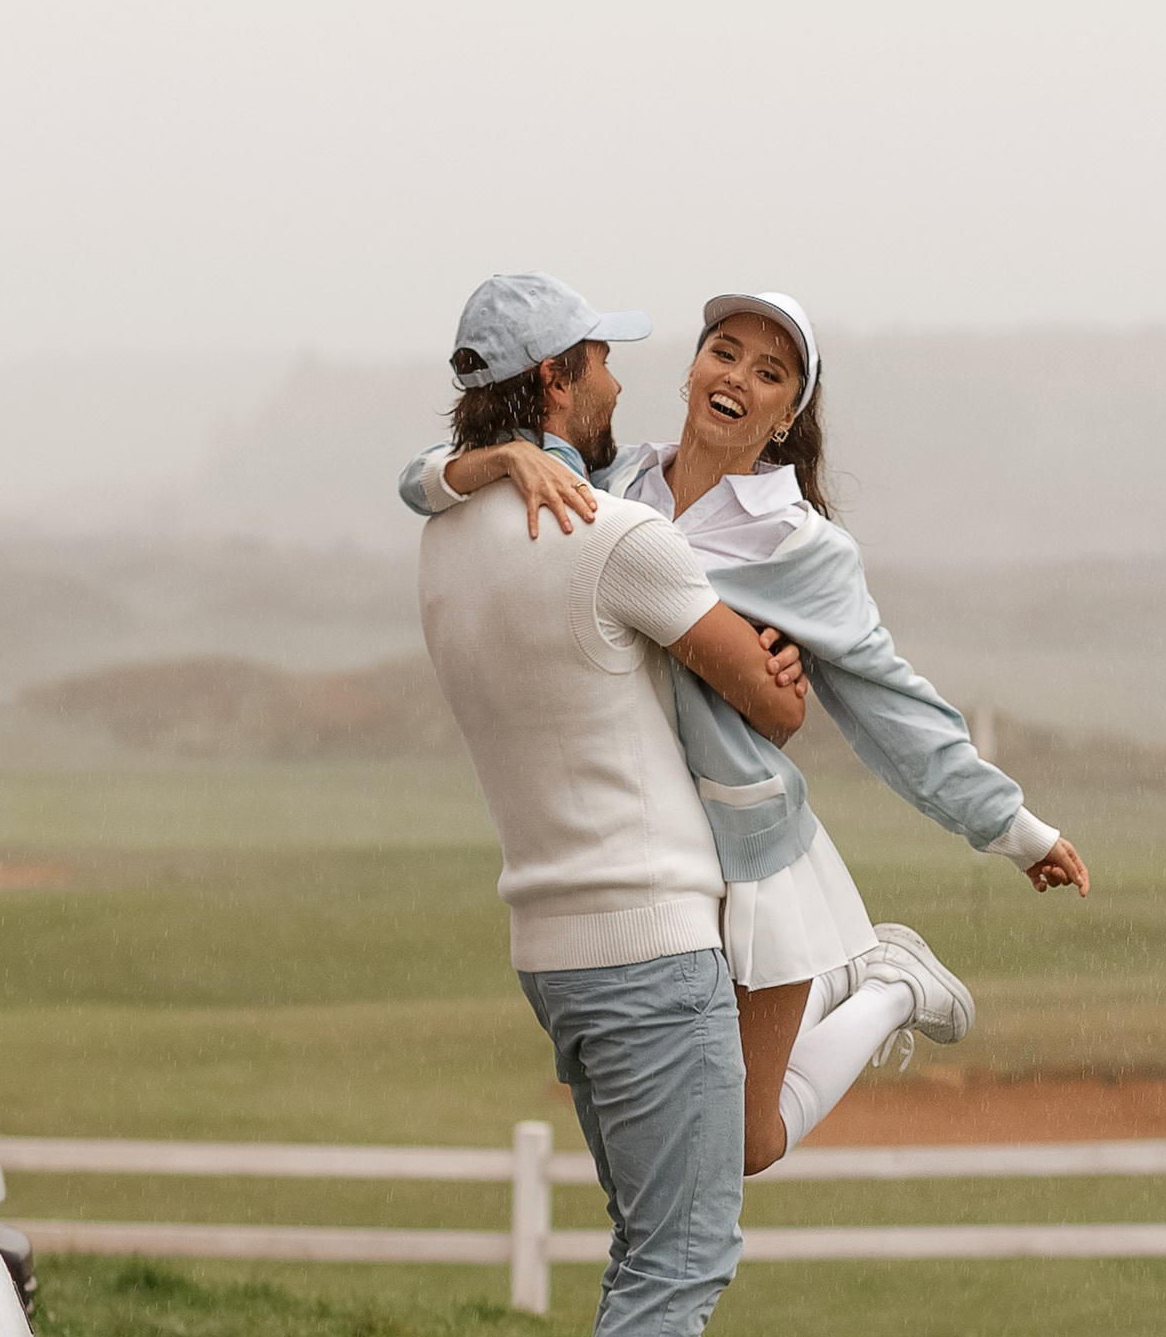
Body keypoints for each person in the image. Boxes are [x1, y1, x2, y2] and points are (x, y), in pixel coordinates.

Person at [403, 291, 1088, 1172]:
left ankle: (886, 984)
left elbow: (894, 705)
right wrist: (502, 461)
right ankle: (865, 973)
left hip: (750, 861)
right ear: (692, 370)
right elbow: (422, 475)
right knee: (680, 1127)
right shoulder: (609, 488)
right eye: (724, 353)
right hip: (644, 861)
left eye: (770, 374)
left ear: (786, 417)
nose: (738, 378)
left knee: (742, 1144)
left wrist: (1015, 829)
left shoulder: (800, 547)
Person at [413, 270, 823, 1337]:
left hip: (555, 940)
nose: (620, 387)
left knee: (648, 1243)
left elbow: (425, 479)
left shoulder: (450, 533)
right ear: (554, 382)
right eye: (600, 365)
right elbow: (768, 695)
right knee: (684, 1254)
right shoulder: (617, 536)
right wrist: (780, 675)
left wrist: (478, 456)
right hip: (646, 938)